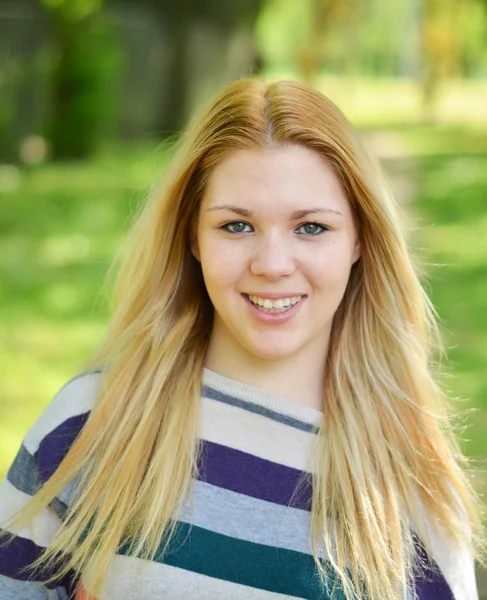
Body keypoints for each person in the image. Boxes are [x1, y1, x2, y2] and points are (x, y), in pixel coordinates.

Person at [0, 78, 484, 600]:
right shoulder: (91, 425)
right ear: (191, 235)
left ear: (360, 239)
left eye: (311, 228)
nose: (272, 265)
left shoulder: (412, 488)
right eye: (236, 226)